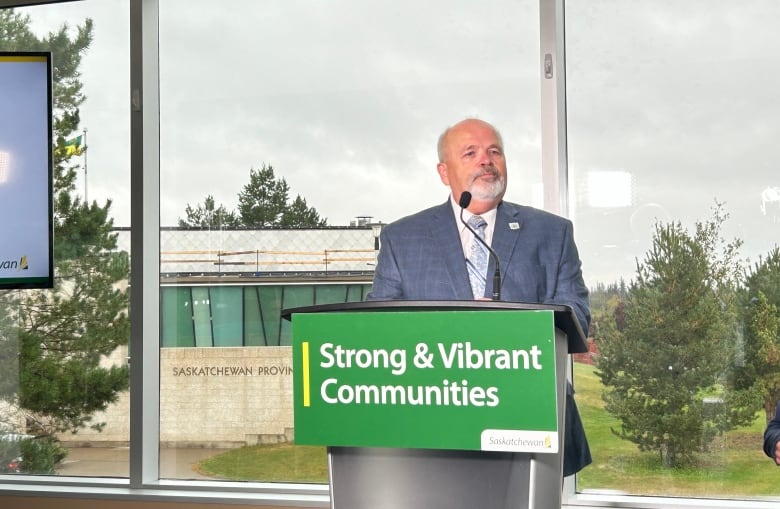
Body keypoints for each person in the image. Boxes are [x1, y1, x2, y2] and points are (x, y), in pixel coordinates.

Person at [366, 117, 592, 476]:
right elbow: (378, 327)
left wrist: (514, 326)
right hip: (434, 423)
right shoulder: (403, 238)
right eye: (470, 153)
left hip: (531, 420)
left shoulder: (552, 232)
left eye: (494, 151)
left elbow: (577, 315)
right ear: (444, 172)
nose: (486, 160)